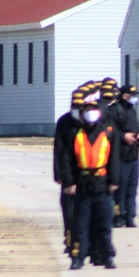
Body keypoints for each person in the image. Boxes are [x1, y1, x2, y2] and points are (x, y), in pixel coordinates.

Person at [59, 98, 121, 270]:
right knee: (80, 225)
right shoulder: (75, 133)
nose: (90, 113)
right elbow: (66, 160)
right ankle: (78, 257)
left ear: (99, 112)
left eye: (93, 109)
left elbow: (114, 159)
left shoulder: (108, 132)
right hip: (83, 184)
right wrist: (69, 182)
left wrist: (114, 181)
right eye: (87, 110)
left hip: (102, 183)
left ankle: (107, 256)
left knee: (104, 225)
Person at [53, 94, 85, 255]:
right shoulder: (64, 122)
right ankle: (71, 241)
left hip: (87, 174)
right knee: (69, 210)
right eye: (75, 106)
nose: (78, 110)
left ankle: (85, 243)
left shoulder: (91, 122)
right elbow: (59, 149)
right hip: (69, 173)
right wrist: (59, 174)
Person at [113, 84, 139, 227]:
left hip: (133, 155)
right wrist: (123, 136)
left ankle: (130, 215)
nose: (134, 98)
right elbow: (110, 132)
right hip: (121, 156)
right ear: (124, 96)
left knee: (132, 187)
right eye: (132, 96)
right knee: (121, 188)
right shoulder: (115, 110)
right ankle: (118, 215)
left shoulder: (131, 109)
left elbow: (134, 127)